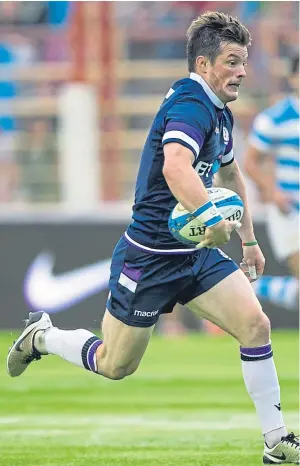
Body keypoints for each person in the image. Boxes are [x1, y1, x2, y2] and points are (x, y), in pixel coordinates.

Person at [7, 11, 299, 464]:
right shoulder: (190, 106)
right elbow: (176, 166)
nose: (242, 70)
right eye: (231, 61)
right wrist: (207, 214)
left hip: (195, 253)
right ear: (203, 65)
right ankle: (43, 336)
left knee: (255, 325)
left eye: (244, 61)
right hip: (150, 256)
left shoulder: (218, 112)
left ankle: (276, 441)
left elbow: (231, 172)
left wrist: (249, 240)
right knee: (114, 365)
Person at [245, 54, 299, 311]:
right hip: (291, 210)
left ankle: (251, 287)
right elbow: (251, 162)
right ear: (293, 78)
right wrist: (272, 191)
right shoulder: (276, 119)